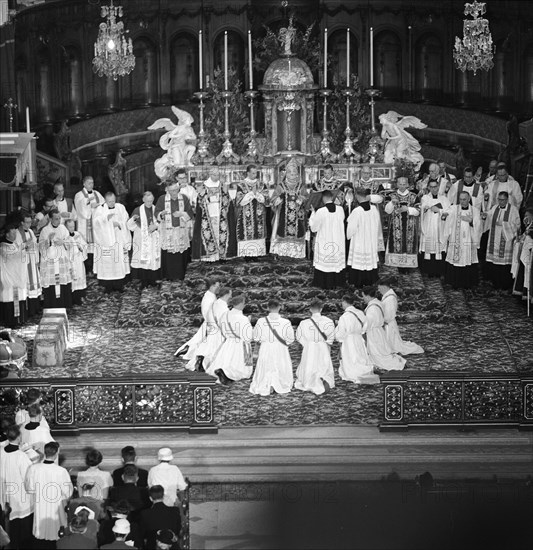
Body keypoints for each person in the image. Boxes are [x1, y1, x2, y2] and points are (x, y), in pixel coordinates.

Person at [25, 441, 73, 545]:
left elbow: (29, 488)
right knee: (56, 535)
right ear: (57, 453)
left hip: (40, 505)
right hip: (56, 506)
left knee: (40, 539)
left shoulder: (34, 468)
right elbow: (67, 492)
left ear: (45, 452)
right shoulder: (61, 471)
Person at [249, 298, 295, 396]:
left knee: (266, 366)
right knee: (280, 365)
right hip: (280, 348)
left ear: (268, 307)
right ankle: (279, 384)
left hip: (266, 347)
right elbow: (290, 339)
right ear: (280, 307)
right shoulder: (285, 322)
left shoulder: (261, 321)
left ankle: (267, 384)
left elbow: (256, 337)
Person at [192, 166, 237, 262]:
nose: (217, 177)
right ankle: (210, 258)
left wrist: (223, 197)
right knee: (209, 234)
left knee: (221, 235)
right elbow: (200, 200)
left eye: (218, 175)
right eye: (215, 175)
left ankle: (222, 256)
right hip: (208, 215)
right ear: (210, 174)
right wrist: (207, 196)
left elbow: (227, 200)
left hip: (220, 213)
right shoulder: (204, 186)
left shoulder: (222, 185)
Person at [0, 425, 33, 550]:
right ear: (19, 437)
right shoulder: (21, 456)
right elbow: (28, 477)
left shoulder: (1, 452)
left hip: (5, 493)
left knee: (9, 525)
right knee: (22, 530)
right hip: (20, 495)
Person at [209, 294, 253, 385]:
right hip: (240, 344)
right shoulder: (243, 318)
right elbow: (247, 336)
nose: (245, 305)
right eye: (244, 303)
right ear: (240, 304)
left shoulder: (225, 315)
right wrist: (248, 322)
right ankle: (228, 374)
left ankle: (222, 371)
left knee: (227, 359)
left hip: (228, 342)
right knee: (241, 368)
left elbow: (222, 328)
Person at [155, 181, 194, 280]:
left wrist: (182, 214)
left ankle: (180, 275)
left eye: (176, 190)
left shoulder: (184, 198)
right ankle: (168, 275)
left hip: (180, 231)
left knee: (180, 255)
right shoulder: (162, 199)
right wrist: (161, 214)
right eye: (171, 190)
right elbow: (156, 212)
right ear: (167, 190)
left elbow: (190, 213)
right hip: (168, 232)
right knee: (168, 255)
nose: (174, 192)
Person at [93, 192, 131, 293]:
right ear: (105, 200)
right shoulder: (100, 210)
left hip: (119, 239)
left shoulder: (120, 207)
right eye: (110, 201)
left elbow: (126, 220)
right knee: (108, 264)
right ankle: (107, 287)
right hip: (106, 242)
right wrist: (108, 222)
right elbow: (96, 224)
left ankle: (119, 285)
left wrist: (119, 224)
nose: (112, 203)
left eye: (113, 201)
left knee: (119, 263)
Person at [176, 280, 220, 367]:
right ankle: (193, 352)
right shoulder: (209, 298)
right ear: (212, 286)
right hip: (210, 322)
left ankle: (188, 349)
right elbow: (207, 312)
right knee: (205, 341)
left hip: (210, 321)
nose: (219, 288)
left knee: (200, 338)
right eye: (217, 286)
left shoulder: (211, 296)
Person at [295, 300, 335, 395]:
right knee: (323, 364)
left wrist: (307, 344)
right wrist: (327, 343)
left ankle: (311, 380)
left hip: (310, 346)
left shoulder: (304, 323)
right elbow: (331, 336)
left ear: (310, 309)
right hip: (322, 345)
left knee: (309, 364)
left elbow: (299, 336)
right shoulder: (328, 321)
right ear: (321, 309)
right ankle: (324, 378)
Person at [270, 158, 308, 259]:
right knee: (282, 231)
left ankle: (297, 254)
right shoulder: (281, 186)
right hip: (283, 216)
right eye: (290, 172)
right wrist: (280, 198)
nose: (292, 174)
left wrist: (301, 199)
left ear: (297, 174)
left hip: (297, 215)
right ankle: (282, 254)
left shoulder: (301, 186)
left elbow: (306, 198)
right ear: (286, 173)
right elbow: (273, 200)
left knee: (298, 231)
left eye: (294, 172)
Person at [444, 191, 482, 289]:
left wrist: (471, 222)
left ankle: (467, 283)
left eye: (464, 199)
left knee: (467, 260)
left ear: (469, 199)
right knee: (456, 260)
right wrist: (444, 216)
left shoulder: (475, 211)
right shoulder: (454, 209)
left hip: (469, 240)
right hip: (456, 240)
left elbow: (479, 226)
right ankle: (455, 282)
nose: (462, 201)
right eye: (460, 199)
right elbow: (446, 215)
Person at [335, 295, 376, 384]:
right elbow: (365, 325)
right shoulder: (360, 313)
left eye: (342, 302)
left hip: (349, 340)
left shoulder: (344, 317)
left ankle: (354, 374)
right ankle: (365, 372)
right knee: (360, 355)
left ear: (345, 302)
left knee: (351, 357)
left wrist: (339, 338)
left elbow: (340, 333)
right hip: (358, 338)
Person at [362, 286, 406, 371]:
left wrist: (360, 326)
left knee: (378, 353)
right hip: (378, 331)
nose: (363, 299)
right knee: (381, 351)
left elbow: (369, 323)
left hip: (373, 332)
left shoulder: (373, 308)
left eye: (363, 296)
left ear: (367, 296)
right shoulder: (377, 302)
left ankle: (396, 363)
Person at [308, 190, 346, 289]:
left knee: (324, 263)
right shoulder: (340, 209)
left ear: (323, 198)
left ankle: (324, 283)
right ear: (331, 197)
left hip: (325, 241)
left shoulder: (321, 211)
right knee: (336, 262)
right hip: (337, 241)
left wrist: (313, 213)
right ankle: (337, 282)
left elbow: (314, 228)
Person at [484, 191, 521, 289]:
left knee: (504, 264)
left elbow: (517, 225)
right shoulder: (495, 207)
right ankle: (495, 282)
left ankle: (504, 284)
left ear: (507, 199)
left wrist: (504, 225)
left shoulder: (513, 210)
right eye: (499, 199)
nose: (500, 202)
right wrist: (484, 216)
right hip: (494, 238)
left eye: (503, 200)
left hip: (506, 241)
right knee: (494, 263)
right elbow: (488, 215)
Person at [378, 278, 424, 355]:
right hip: (387, 322)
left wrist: (383, 321)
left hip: (389, 323)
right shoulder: (387, 295)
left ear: (384, 287)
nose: (379, 290)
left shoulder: (390, 298)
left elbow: (390, 315)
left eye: (379, 288)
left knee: (394, 344)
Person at [346, 188, 383, 286]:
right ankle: (370, 280)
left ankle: (358, 282)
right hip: (370, 240)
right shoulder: (374, 209)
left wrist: (348, 236)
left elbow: (351, 229)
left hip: (359, 241)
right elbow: (377, 224)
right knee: (369, 261)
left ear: (357, 196)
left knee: (359, 263)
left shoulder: (357, 211)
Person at [38, 209, 74, 308]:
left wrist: (63, 242)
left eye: (59, 218)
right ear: (50, 219)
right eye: (56, 218)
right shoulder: (45, 230)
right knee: (52, 284)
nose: (58, 220)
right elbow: (41, 247)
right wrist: (49, 241)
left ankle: (64, 305)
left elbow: (70, 241)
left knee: (63, 283)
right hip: (51, 263)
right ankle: (52, 306)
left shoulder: (63, 228)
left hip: (62, 261)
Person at [384, 177, 420, 269]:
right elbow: (387, 211)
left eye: (404, 184)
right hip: (395, 227)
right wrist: (392, 203)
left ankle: (407, 267)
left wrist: (407, 209)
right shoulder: (391, 195)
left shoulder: (414, 196)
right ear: (397, 184)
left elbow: (418, 211)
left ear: (407, 184)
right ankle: (398, 266)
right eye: (400, 184)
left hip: (410, 226)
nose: (402, 186)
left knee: (409, 245)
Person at [127, 190, 161, 288]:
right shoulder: (137, 210)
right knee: (143, 261)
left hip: (154, 239)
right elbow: (130, 226)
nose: (149, 203)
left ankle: (152, 280)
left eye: (151, 201)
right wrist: (133, 219)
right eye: (147, 201)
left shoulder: (156, 209)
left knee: (152, 260)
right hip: (142, 240)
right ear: (143, 200)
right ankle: (144, 281)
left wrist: (156, 226)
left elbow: (161, 223)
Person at [419, 178, 451, 277]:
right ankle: (429, 271)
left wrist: (440, 211)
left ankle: (439, 271)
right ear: (428, 187)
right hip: (429, 226)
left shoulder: (444, 199)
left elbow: (449, 210)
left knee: (439, 248)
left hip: (440, 227)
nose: (434, 189)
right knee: (429, 248)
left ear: (438, 186)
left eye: (435, 187)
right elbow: (424, 207)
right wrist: (427, 208)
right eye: (431, 187)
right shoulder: (425, 197)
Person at [0, 223, 28, 327]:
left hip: (17, 277)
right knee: (10, 300)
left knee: (19, 298)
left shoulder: (15, 245)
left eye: (15, 233)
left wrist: (24, 249)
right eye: (12, 233)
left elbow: (18, 254)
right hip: (9, 280)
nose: (15, 236)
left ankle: (19, 320)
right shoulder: (3, 247)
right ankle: (10, 322)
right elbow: (12, 257)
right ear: (7, 234)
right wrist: (24, 250)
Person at [74, 176, 105, 272]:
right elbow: (81, 209)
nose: (91, 185)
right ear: (84, 184)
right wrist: (89, 205)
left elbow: (103, 204)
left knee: (95, 245)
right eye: (89, 183)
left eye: (92, 183)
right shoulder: (79, 195)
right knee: (85, 245)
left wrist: (97, 206)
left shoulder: (97, 194)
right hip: (85, 225)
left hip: (95, 225)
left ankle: (95, 267)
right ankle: (87, 268)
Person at [236, 164, 268, 257]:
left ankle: (257, 254)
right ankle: (247, 255)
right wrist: (251, 194)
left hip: (259, 214)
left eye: (256, 173)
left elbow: (266, 199)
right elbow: (239, 202)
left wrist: (257, 195)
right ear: (248, 173)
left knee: (259, 231)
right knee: (247, 232)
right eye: (253, 173)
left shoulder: (261, 184)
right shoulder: (241, 185)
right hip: (246, 214)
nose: (255, 175)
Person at [201, 286, 232, 374]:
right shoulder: (223, 307)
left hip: (213, 330)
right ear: (226, 294)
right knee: (217, 352)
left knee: (212, 350)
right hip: (219, 332)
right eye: (230, 294)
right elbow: (223, 321)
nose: (231, 296)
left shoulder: (217, 303)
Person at [16, 212, 42, 317]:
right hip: (25, 263)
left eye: (30, 222)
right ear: (22, 223)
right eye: (27, 222)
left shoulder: (31, 231)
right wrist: (26, 245)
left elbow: (35, 245)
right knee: (27, 286)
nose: (29, 224)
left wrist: (37, 259)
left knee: (35, 285)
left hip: (32, 261)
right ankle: (29, 310)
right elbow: (16, 248)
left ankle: (36, 308)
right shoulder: (18, 233)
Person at [140, 485, 181, 550]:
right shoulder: (174, 511)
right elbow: (178, 530)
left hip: (152, 546)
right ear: (163, 497)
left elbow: (142, 534)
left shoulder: (145, 513)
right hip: (171, 545)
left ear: (150, 498)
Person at [65, 218, 88, 305]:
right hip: (71, 261)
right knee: (73, 279)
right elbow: (66, 249)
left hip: (78, 260)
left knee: (80, 276)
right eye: (70, 227)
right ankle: (73, 299)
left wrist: (80, 247)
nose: (72, 229)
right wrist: (74, 244)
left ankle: (80, 296)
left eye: (73, 226)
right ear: (66, 227)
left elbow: (84, 245)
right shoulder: (65, 237)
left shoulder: (77, 234)